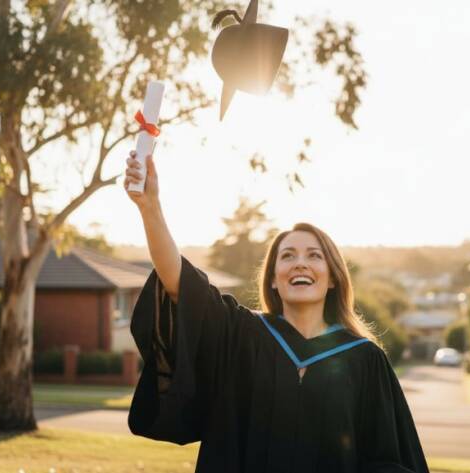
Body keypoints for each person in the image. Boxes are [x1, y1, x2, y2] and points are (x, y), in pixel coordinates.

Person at [123, 151, 428, 473]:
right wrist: (150, 207)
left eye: (314, 255)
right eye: (288, 256)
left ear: (334, 278)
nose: (300, 262)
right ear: (273, 278)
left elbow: (386, 457)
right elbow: (180, 284)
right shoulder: (242, 334)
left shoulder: (365, 359)